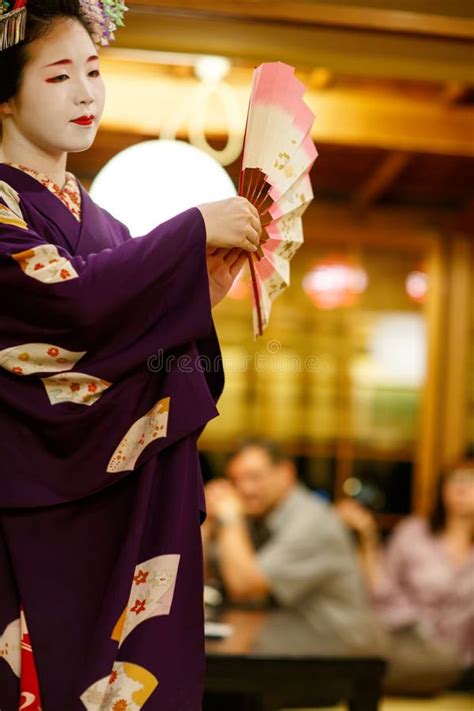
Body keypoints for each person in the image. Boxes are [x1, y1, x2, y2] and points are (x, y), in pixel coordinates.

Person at [0, 2, 262, 709]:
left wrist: (196, 291)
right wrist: (189, 232)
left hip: (122, 505)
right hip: (27, 506)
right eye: (59, 76)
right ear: (5, 93)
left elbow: (144, 345)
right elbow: (65, 303)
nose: (87, 92)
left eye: (94, 70)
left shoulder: (107, 225)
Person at [203, 438, 386, 655]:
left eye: (254, 477)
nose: (244, 489)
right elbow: (200, 577)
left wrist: (230, 518)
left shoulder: (311, 522)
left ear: (286, 473)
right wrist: (205, 521)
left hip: (340, 648)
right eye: (236, 480)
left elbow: (244, 587)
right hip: (287, 638)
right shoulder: (258, 516)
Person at [336, 458, 474, 694]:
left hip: (460, 661)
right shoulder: (414, 534)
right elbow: (381, 590)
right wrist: (367, 537)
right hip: (405, 641)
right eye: (454, 481)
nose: (461, 489)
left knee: (446, 663)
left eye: (470, 482)